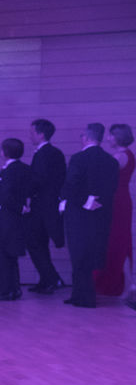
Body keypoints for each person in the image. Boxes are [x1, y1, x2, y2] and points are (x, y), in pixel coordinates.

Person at [61, 123, 121, 308]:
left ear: (85, 138)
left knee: (78, 254)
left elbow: (71, 185)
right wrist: (97, 201)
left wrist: (84, 202)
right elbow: (112, 188)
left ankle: (83, 296)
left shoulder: (78, 158)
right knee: (92, 253)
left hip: (79, 213)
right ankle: (81, 294)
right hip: (101, 213)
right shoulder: (111, 161)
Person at [27, 119, 68, 295]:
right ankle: (48, 279)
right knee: (39, 243)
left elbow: (38, 180)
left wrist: (24, 190)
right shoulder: (55, 153)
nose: (30, 135)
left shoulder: (43, 154)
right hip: (50, 204)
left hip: (42, 205)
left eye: (32, 132)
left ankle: (51, 278)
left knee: (35, 242)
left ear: (41, 134)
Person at [94, 123, 134, 300]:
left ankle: (124, 284)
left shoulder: (120, 156)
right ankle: (127, 284)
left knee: (117, 242)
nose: (108, 138)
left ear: (118, 137)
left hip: (117, 201)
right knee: (120, 241)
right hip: (121, 199)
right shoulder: (127, 154)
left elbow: (105, 178)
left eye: (111, 135)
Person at [0, 138, 33, 302]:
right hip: (18, 217)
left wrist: (17, 207)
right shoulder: (25, 169)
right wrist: (24, 206)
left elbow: (5, 195)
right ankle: (14, 288)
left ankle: (6, 290)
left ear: (5, 152)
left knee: (3, 253)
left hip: (8, 215)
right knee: (12, 253)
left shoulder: (8, 171)